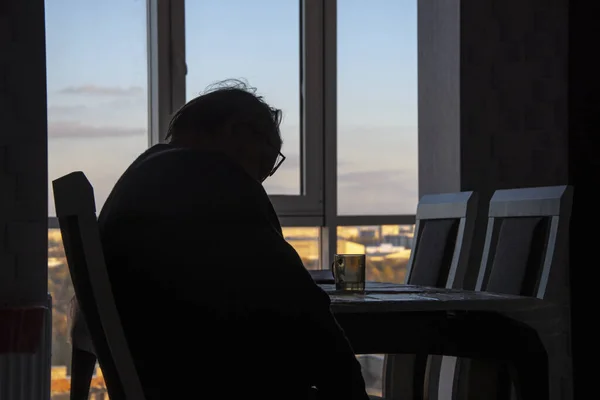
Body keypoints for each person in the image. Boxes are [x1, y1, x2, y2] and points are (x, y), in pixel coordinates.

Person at [70, 79, 369, 399]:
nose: (259, 181)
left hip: (168, 377)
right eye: (263, 161)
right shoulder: (213, 178)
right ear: (236, 131)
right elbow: (306, 311)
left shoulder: (146, 177)